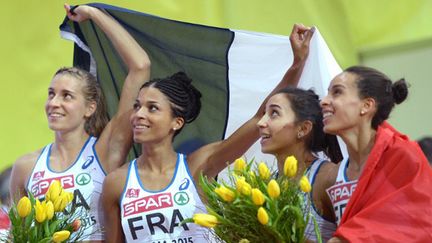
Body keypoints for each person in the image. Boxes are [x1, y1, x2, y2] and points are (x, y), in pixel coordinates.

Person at [101, 24, 314, 243]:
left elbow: (258, 117)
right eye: (137, 106)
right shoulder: (116, 183)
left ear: (177, 122)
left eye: (152, 108)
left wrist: (297, 64)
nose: (139, 115)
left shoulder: (198, 166)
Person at [9, 4, 151, 242]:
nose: (54, 102)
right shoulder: (26, 166)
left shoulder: (106, 151)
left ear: (90, 108)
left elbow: (140, 67)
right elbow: (18, 236)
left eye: (67, 96)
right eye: (51, 93)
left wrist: (94, 15)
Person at [320, 66, 432, 242]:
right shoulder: (334, 172)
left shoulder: (404, 156)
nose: (324, 101)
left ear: (367, 105)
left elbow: (418, 224)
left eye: (337, 92)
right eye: (327, 93)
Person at [257, 87, 342, 242]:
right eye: (264, 114)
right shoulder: (263, 186)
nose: (260, 123)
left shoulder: (329, 178)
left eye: (274, 113)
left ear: (303, 128)